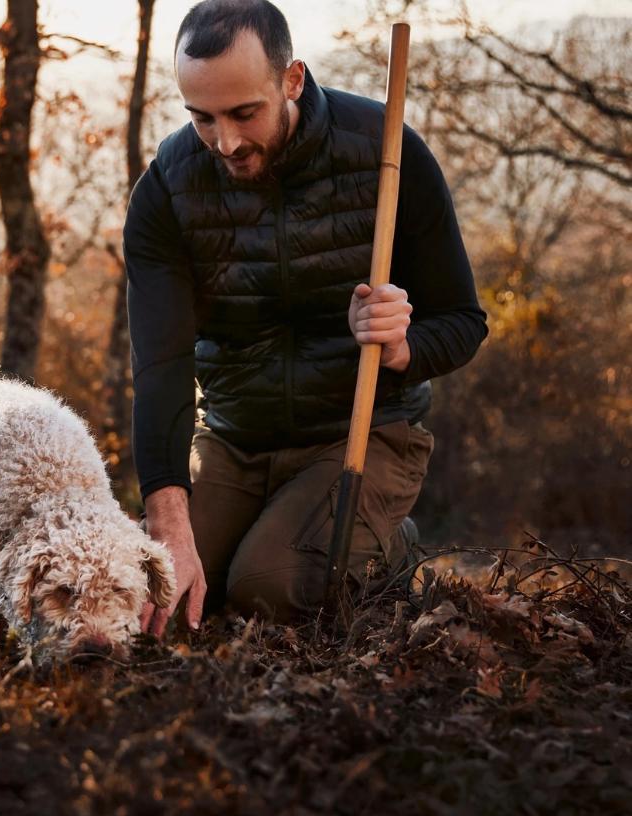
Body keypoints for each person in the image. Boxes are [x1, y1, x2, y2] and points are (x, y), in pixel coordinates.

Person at [124, 0, 488, 637]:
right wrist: (167, 524)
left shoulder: (387, 153)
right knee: (158, 601)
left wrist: (401, 345)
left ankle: (390, 544)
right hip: (235, 436)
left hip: (360, 433)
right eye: (201, 118)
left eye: (243, 113)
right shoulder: (167, 189)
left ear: (291, 80)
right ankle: (274, 531)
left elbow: (463, 321)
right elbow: (161, 365)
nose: (226, 142)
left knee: (267, 590)